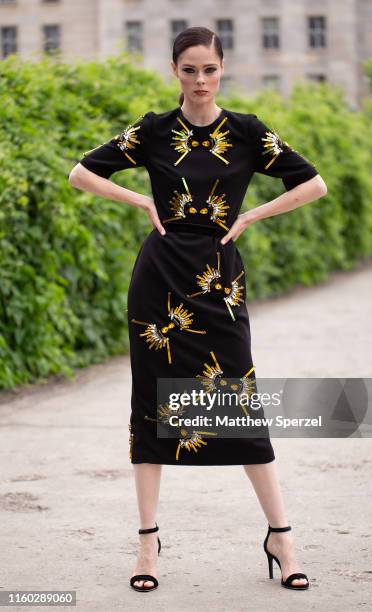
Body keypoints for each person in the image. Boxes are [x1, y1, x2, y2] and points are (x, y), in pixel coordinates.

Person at [69, 26, 327, 593]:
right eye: (189, 70)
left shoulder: (248, 132)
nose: (200, 80)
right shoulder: (154, 131)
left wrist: (251, 216)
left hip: (219, 284)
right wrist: (139, 198)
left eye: (209, 69)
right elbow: (81, 172)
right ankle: (147, 543)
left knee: (238, 401)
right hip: (158, 281)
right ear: (175, 71)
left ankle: (281, 537)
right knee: (151, 403)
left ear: (222, 68)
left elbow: (313, 184)